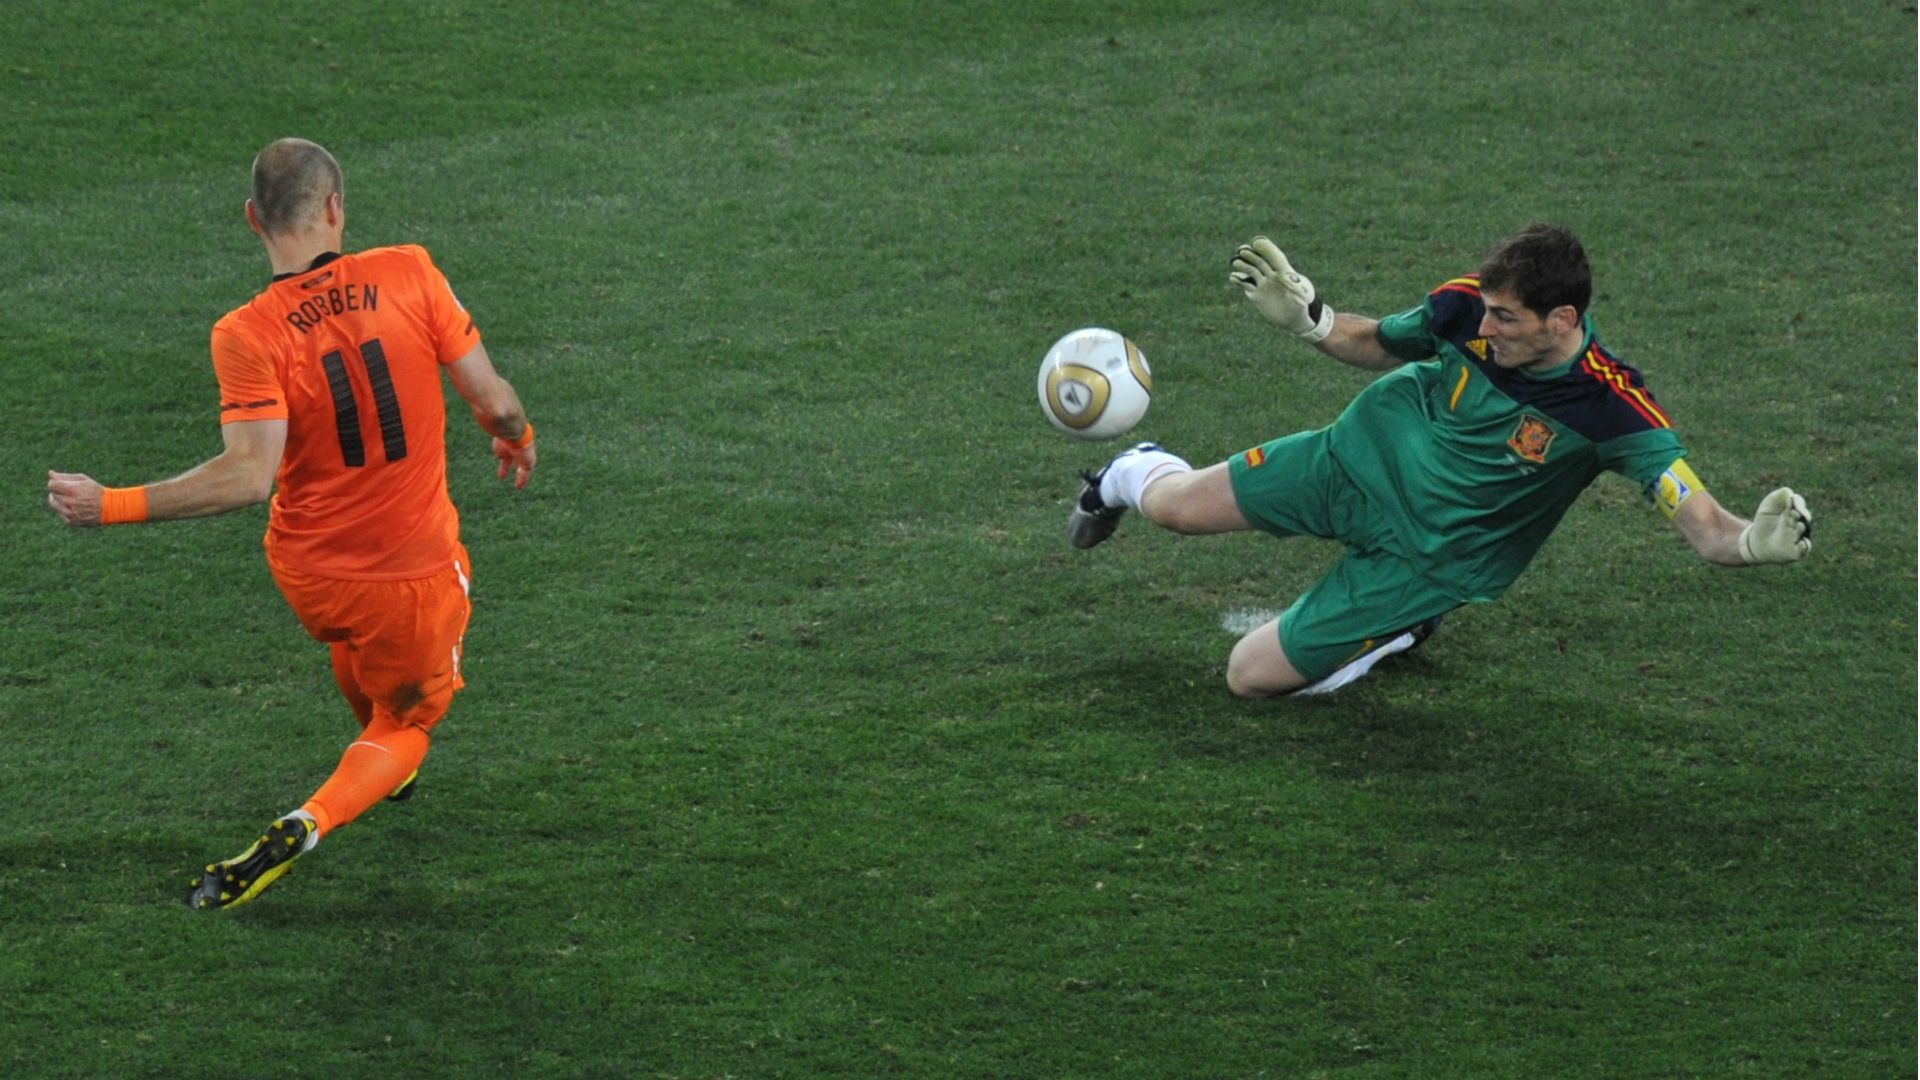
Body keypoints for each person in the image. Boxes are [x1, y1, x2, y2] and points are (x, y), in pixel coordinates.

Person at [46, 138, 537, 910]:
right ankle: (309, 820)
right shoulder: (409, 271)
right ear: (337, 206)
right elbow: (497, 401)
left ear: (253, 220)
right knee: (410, 722)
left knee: (358, 646)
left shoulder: (245, 332)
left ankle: (377, 753)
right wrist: (514, 433)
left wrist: (109, 503)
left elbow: (249, 475)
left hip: (308, 576)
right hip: (406, 579)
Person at [1068, 224, 1812, 698]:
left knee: (1250, 677)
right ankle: (1132, 466)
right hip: (1351, 463)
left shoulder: (1614, 410)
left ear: (1564, 321)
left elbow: (1706, 526)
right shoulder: (1466, 308)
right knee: (1172, 509)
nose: (1485, 327)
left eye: (1507, 318)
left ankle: (1402, 624)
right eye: (1486, 309)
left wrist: (1750, 543)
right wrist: (1311, 319)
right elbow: (1379, 344)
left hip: (1426, 559)